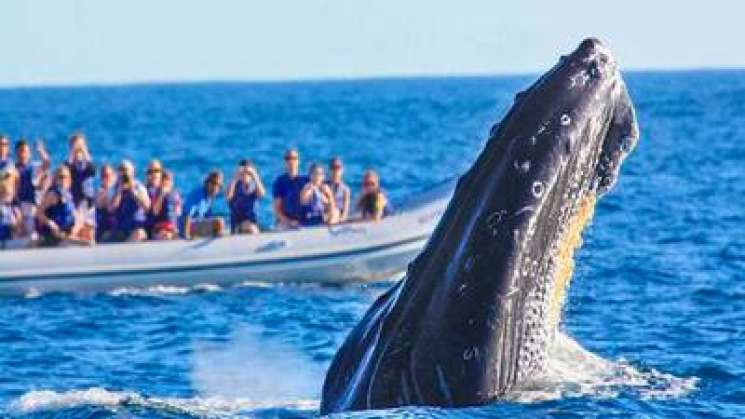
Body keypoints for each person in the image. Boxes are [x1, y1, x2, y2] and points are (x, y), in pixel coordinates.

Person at [36, 166, 89, 246]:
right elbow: (38, 213)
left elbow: (76, 216)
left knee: (88, 231)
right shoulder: (53, 195)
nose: (64, 180)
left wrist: (76, 227)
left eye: (66, 177)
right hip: (57, 234)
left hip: (69, 231)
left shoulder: (68, 195)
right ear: (56, 179)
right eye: (61, 177)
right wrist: (51, 224)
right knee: (86, 244)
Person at [14, 139, 51, 237]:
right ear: (16, 153)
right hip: (17, 205)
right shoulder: (13, 168)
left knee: (31, 231)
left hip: (30, 205)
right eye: (20, 151)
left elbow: (46, 163)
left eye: (25, 151)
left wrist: (41, 151)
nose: (22, 154)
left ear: (29, 153)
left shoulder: (33, 167)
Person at [109, 160, 150, 242]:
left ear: (132, 172)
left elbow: (147, 207)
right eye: (121, 170)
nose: (123, 173)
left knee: (139, 234)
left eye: (125, 170)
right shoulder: (114, 188)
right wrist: (119, 191)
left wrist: (133, 192)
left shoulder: (139, 187)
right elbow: (111, 209)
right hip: (119, 229)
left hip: (136, 228)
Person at [181, 170, 226, 239]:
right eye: (213, 183)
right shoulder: (198, 194)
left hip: (197, 224)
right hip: (186, 226)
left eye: (218, 186)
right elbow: (187, 215)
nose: (215, 188)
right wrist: (186, 236)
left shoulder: (210, 196)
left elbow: (207, 217)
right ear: (207, 183)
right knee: (219, 222)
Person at [272, 148, 309, 229]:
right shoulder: (279, 182)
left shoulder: (306, 180)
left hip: (304, 220)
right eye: (288, 158)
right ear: (284, 162)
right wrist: (289, 222)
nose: (291, 161)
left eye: (294, 158)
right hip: (285, 222)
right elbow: (277, 210)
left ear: (298, 161)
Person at [227, 159, 265, 234]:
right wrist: (235, 177)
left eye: (247, 173)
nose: (245, 175)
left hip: (253, 222)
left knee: (253, 228)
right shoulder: (234, 186)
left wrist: (254, 175)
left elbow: (262, 194)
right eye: (243, 173)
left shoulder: (254, 185)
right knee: (250, 228)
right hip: (238, 223)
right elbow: (228, 196)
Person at [64, 132, 96, 208]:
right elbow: (66, 170)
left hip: (87, 199)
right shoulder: (69, 164)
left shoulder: (87, 164)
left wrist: (84, 151)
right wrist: (72, 152)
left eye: (81, 145)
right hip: (73, 198)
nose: (78, 148)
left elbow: (93, 171)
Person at [150, 170, 182, 240]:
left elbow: (178, 213)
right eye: (165, 180)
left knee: (177, 236)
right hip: (160, 226)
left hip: (172, 226)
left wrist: (177, 204)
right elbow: (155, 211)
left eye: (169, 180)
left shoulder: (175, 194)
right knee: (166, 236)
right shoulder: (156, 193)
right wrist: (162, 194)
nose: (167, 182)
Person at [0, 169, 23, 248]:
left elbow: (19, 228)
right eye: (3, 193)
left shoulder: (15, 209)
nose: (6, 196)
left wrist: (15, 225)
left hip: (9, 240)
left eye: (9, 194)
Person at [94, 164, 117, 242]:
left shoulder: (119, 191)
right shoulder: (100, 193)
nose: (106, 179)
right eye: (103, 176)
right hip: (104, 231)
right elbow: (105, 206)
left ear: (114, 176)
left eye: (108, 175)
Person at [326, 157, 351, 222]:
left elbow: (345, 212)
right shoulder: (324, 186)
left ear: (342, 170)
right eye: (333, 167)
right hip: (326, 214)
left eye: (338, 167)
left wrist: (341, 220)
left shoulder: (345, 189)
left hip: (337, 217)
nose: (335, 171)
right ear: (329, 170)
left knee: (335, 212)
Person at [144, 159, 163, 236]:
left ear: (161, 173)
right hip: (149, 229)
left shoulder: (171, 192)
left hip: (165, 228)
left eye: (156, 171)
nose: (153, 174)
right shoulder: (143, 191)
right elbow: (154, 212)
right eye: (150, 172)